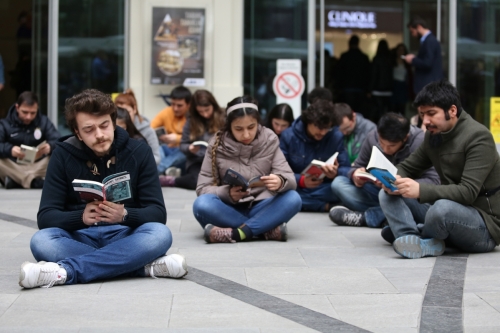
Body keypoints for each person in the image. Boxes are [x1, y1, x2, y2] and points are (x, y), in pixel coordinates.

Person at [18, 89, 187, 289]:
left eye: (104, 126)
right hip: (79, 236)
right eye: (89, 129)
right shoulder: (62, 154)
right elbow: (46, 217)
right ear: (77, 133)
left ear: (113, 122)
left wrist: (124, 214)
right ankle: (140, 266)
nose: (99, 135)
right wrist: (81, 217)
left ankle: (65, 272)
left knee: (160, 234)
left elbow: (157, 213)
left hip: (126, 234)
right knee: (42, 241)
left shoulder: (139, 152)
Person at [379, 80, 500, 259]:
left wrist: (420, 190)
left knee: (442, 209)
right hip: (450, 209)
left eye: (431, 113)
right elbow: (408, 166)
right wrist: (391, 178)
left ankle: (420, 234)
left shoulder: (478, 137)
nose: (425, 121)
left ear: (452, 110)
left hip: (484, 227)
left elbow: (468, 192)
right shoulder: (433, 135)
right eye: (422, 114)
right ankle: (409, 237)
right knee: (389, 193)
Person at [193, 96, 301, 243]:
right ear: (229, 126)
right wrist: (227, 193)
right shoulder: (216, 144)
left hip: (263, 205)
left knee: (293, 198)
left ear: (258, 123)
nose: (246, 135)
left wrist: (280, 181)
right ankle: (264, 230)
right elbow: (202, 188)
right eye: (238, 129)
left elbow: (289, 178)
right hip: (228, 208)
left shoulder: (269, 139)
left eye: (251, 127)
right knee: (202, 204)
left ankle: (237, 234)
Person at [329, 112, 439, 228]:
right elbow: (357, 166)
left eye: (391, 146)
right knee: (338, 183)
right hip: (378, 191)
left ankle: (366, 217)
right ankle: (390, 216)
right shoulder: (372, 136)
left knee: (395, 195)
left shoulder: (420, 141)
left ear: (405, 138)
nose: (385, 150)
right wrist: (356, 175)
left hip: (407, 197)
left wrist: (406, 184)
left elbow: (435, 180)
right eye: (382, 144)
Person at [280, 99, 350, 212]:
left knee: (341, 186)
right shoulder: (289, 136)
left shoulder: (335, 136)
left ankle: (306, 204)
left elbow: (346, 168)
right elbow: (280, 171)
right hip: (298, 187)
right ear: (308, 122)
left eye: (327, 128)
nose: (323, 133)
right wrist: (301, 180)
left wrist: (335, 173)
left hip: (325, 188)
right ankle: (326, 206)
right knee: (281, 191)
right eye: (319, 128)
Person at [160, 89, 225, 189]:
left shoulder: (223, 117)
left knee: (221, 180)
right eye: (200, 111)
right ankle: (171, 180)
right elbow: (183, 144)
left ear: (213, 106)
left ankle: (174, 173)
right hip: (197, 160)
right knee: (197, 182)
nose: (205, 114)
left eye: (207, 110)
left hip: (219, 160)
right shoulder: (191, 120)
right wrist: (189, 148)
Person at [0, 91, 60, 189]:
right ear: (17, 108)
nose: (29, 117)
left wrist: (50, 146)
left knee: (58, 158)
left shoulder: (43, 121)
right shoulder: (4, 124)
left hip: (38, 165)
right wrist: (10, 150)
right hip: (13, 165)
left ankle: (17, 181)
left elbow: (58, 141)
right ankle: (34, 182)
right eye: (25, 112)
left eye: (33, 113)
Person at [114, 89, 161, 166]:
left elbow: (157, 158)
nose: (124, 116)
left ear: (134, 109)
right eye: (120, 112)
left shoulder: (146, 132)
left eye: (127, 111)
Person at [151, 86, 190, 175]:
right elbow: (150, 129)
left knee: (186, 150)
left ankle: (157, 171)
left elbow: (196, 138)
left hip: (182, 151)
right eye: (172, 104)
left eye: (179, 105)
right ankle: (168, 171)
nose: (175, 108)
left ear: (188, 105)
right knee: (155, 146)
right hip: (166, 149)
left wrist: (177, 139)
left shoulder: (193, 116)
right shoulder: (167, 112)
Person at [404, 16, 443, 96]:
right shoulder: (428, 40)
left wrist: (413, 60)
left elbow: (427, 63)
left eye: (412, 31)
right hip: (429, 87)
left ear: (419, 27)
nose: (413, 35)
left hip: (428, 87)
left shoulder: (430, 41)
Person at [336, 35, 370, 118]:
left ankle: (348, 128)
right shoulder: (364, 57)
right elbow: (368, 73)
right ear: (358, 43)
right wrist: (368, 89)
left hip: (347, 87)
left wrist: (339, 87)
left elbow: (339, 72)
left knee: (347, 112)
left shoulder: (345, 56)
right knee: (359, 112)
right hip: (360, 88)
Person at [369, 39, 393, 123]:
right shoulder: (390, 59)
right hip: (388, 90)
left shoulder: (376, 59)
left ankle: (379, 129)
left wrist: (370, 89)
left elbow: (374, 75)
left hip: (377, 90)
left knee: (378, 111)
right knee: (386, 112)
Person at [391, 43, 414, 114]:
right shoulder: (392, 61)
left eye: (402, 50)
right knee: (393, 109)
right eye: (399, 50)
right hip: (393, 87)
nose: (401, 52)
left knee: (402, 109)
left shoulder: (407, 64)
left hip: (403, 87)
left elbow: (410, 77)